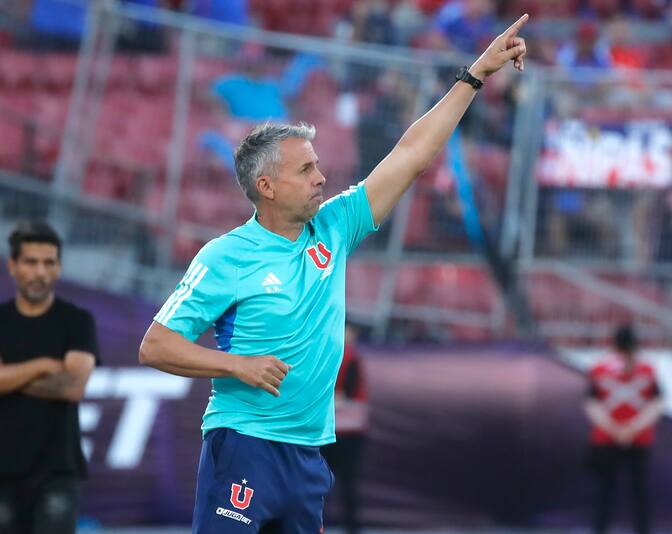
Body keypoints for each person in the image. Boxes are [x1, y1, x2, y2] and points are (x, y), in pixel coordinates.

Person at [138, 14, 529, 534]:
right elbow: (155, 346)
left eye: (318, 165)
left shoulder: (335, 227)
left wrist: (476, 73)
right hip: (245, 447)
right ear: (267, 186)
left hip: (308, 456)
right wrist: (236, 366)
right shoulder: (225, 257)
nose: (322, 177)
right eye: (305, 170)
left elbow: (411, 155)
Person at [0, 221, 99, 534]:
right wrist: (45, 364)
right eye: (31, 262)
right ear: (12, 266)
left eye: (48, 262)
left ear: (58, 268)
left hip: (58, 470)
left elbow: (72, 386)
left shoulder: (77, 321)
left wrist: (10, 376)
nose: (40, 272)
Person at [584, 324, 664, 534]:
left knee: (639, 494)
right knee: (604, 494)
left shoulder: (647, 371)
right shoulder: (600, 371)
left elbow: (657, 403)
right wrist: (615, 428)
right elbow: (591, 403)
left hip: (636, 441)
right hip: (607, 441)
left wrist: (632, 428)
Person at [322, 322, 369, 534]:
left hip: (344, 432)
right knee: (327, 486)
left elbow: (347, 395)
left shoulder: (349, 358)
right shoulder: (335, 356)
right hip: (333, 432)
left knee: (341, 485)